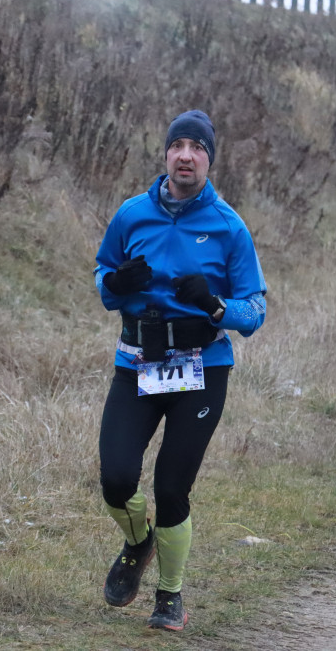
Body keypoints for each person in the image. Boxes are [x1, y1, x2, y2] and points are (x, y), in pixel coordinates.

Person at [93, 109, 267, 631]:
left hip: (201, 368)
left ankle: (169, 596)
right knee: (116, 479)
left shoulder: (228, 226)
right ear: (166, 154)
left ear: (209, 160)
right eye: (178, 146)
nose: (186, 155)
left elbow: (254, 309)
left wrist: (217, 308)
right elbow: (103, 280)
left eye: (197, 147)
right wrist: (119, 283)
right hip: (139, 363)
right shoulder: (130, 214)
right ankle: (137, 542)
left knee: (172, 487)